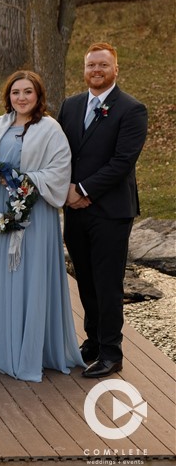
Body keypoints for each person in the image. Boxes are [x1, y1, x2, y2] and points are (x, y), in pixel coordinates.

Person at [0, 71, 83, 382]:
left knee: (27, 276)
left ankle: (29, 349)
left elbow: (59, 171)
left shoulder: (50, 129)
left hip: (33, 215)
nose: (21, 98)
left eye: (28, 92)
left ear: (38, 96)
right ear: (8, 96)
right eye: (16, 92)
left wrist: (22, 180)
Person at [59, 43, 148, 379]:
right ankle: (94, 341)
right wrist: (66, 190)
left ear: (116, 69)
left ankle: (112, 353)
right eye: (91, 65)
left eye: (103, 65)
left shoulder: (131, 109)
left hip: (110, 211)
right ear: (84, 69)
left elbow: (122, 162)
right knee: (85, 281)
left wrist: (83, 190)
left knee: (108, 284)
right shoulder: (71, 105)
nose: (96, 70)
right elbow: (63, 153)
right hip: (75, 210)